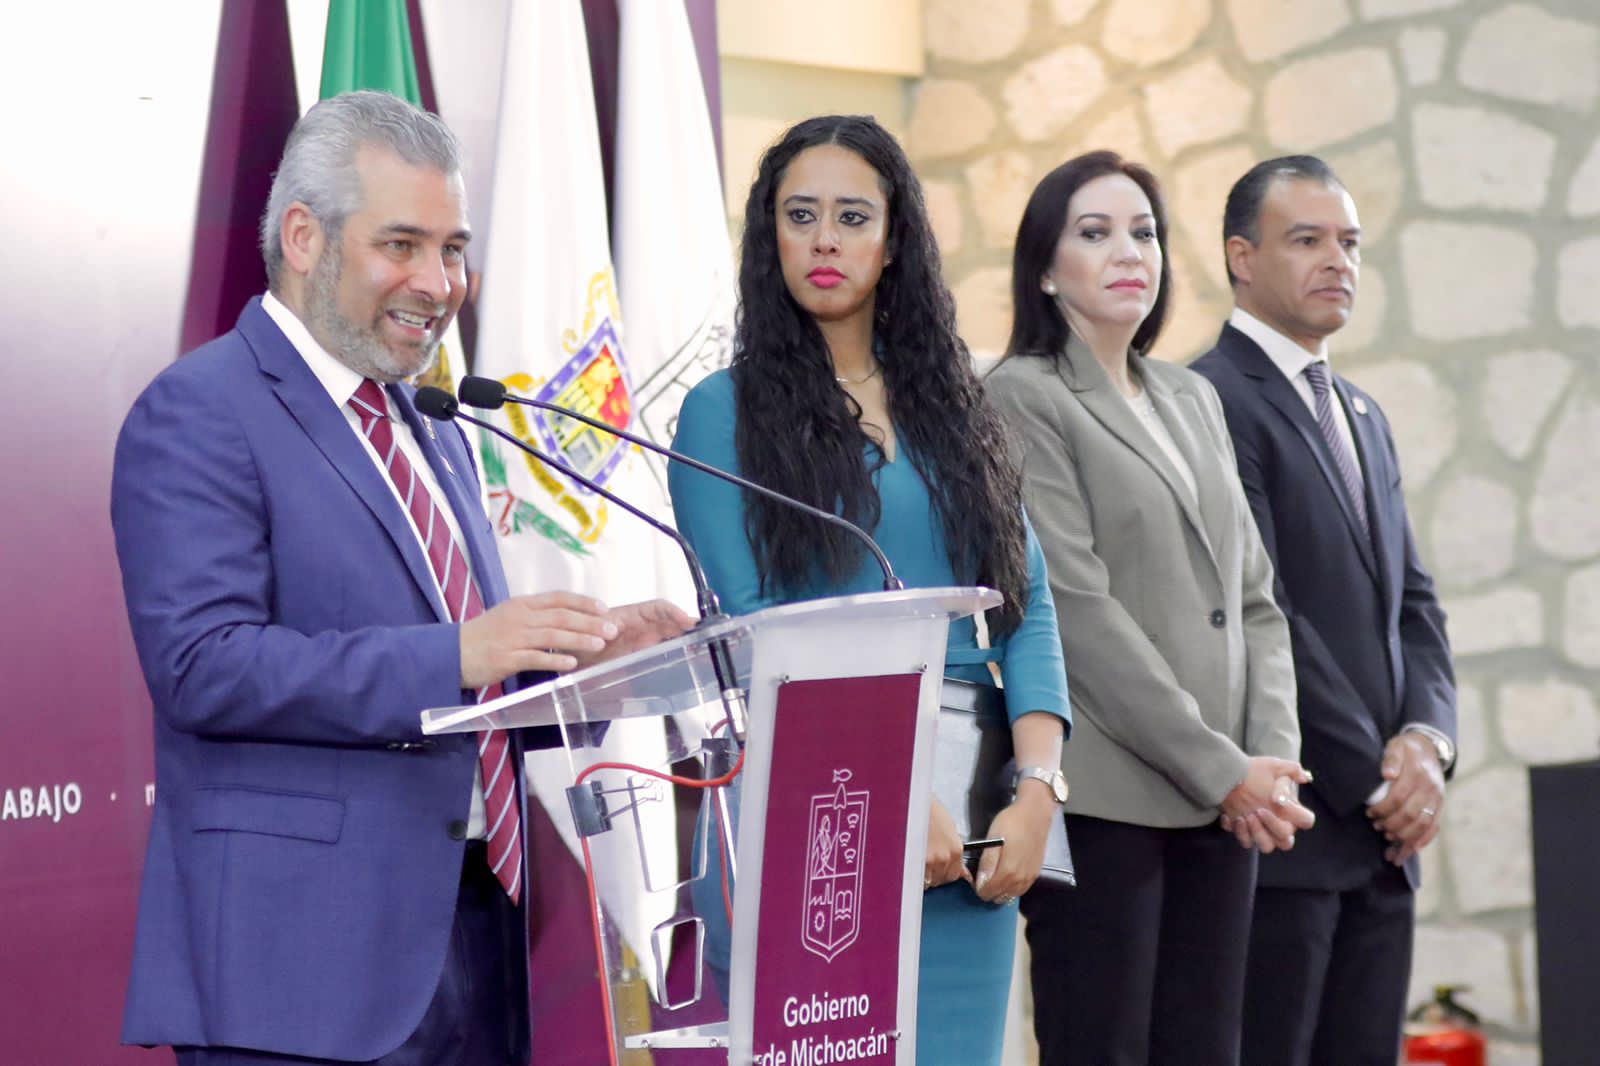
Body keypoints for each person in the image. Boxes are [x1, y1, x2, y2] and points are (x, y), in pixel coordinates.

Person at [111, 90, 691, 1066]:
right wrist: (461, 652)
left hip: (476, 933)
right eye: (403, 245)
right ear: (304, 237)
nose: (439, 282)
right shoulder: (201, 410)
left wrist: (588, 668)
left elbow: (461, 684)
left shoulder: (432, 423)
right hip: (300, 970)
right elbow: (203, 667)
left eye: (453, 248)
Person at [667, 114, 1071, 1066]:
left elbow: (1026, 607)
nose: (825, 240)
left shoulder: (957, 408)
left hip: (971, 827)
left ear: (894, 243)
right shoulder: (721, 414)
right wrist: (892, 795)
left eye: (853, 217)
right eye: (800, 215)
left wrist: (1039, 789)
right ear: (770, 237)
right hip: (817, 812)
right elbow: (762, 627)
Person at [984, 150, 1313, 1066]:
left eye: (1145, 233)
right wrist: (1222, 768)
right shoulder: (1020, 394)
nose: (1130, 252)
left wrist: (1271, 760)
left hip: (1228, 801)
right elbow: (1077, 612)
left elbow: (1255, 596)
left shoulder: (1192, 395)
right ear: (1045, 270)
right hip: (1110, 804)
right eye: (1095, 233)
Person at [1190, 155, 1457, 1066]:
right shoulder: (1209, 399)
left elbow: (1414, 603)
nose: (1337, 260)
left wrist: (1427, 745)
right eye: (1307, 240)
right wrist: (1377, 786)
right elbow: (1264, 611)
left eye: (1349, 242)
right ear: (1242, 257)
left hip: (1384, 849)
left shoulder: (1362, 413)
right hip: (1287, 838)